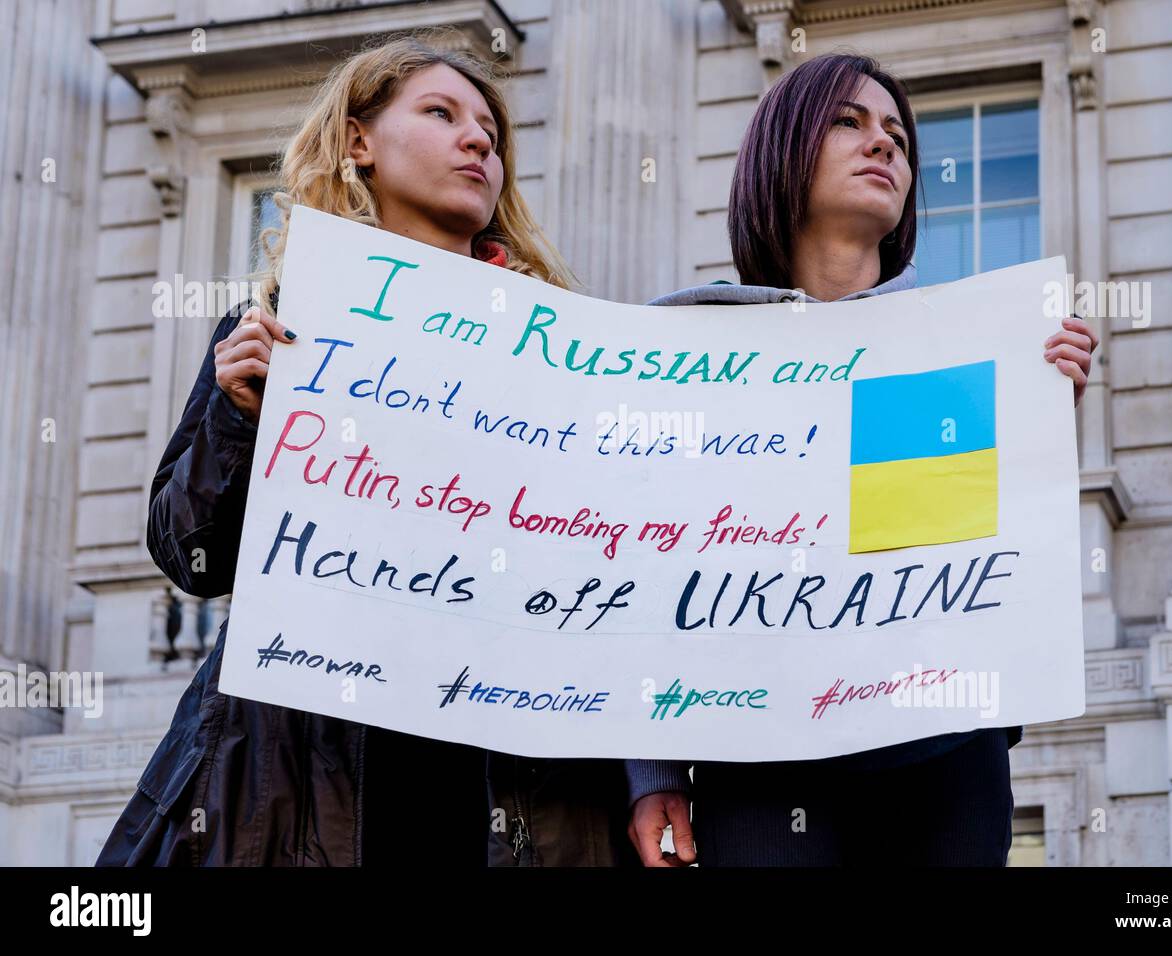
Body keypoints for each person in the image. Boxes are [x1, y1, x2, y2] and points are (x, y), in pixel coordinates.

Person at [95, 32, 626, 866]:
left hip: (510, 773)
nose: (480, 139)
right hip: (306, 768)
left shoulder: (562, 349)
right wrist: (236, 420)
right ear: (358, 143)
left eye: (490, 129)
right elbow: (192, 556)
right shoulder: (279, 324)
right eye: (442, 113)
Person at [626, 53, 1097, 867]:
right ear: (782, 150)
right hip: (760, 755)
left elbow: (969, 553)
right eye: (849, 122)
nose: (884, 145)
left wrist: (1036, 424)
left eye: (898, 137)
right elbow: (656, 562)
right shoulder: (688, 349)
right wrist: (655, 770)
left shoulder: (964, 348)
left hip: (943, 751)